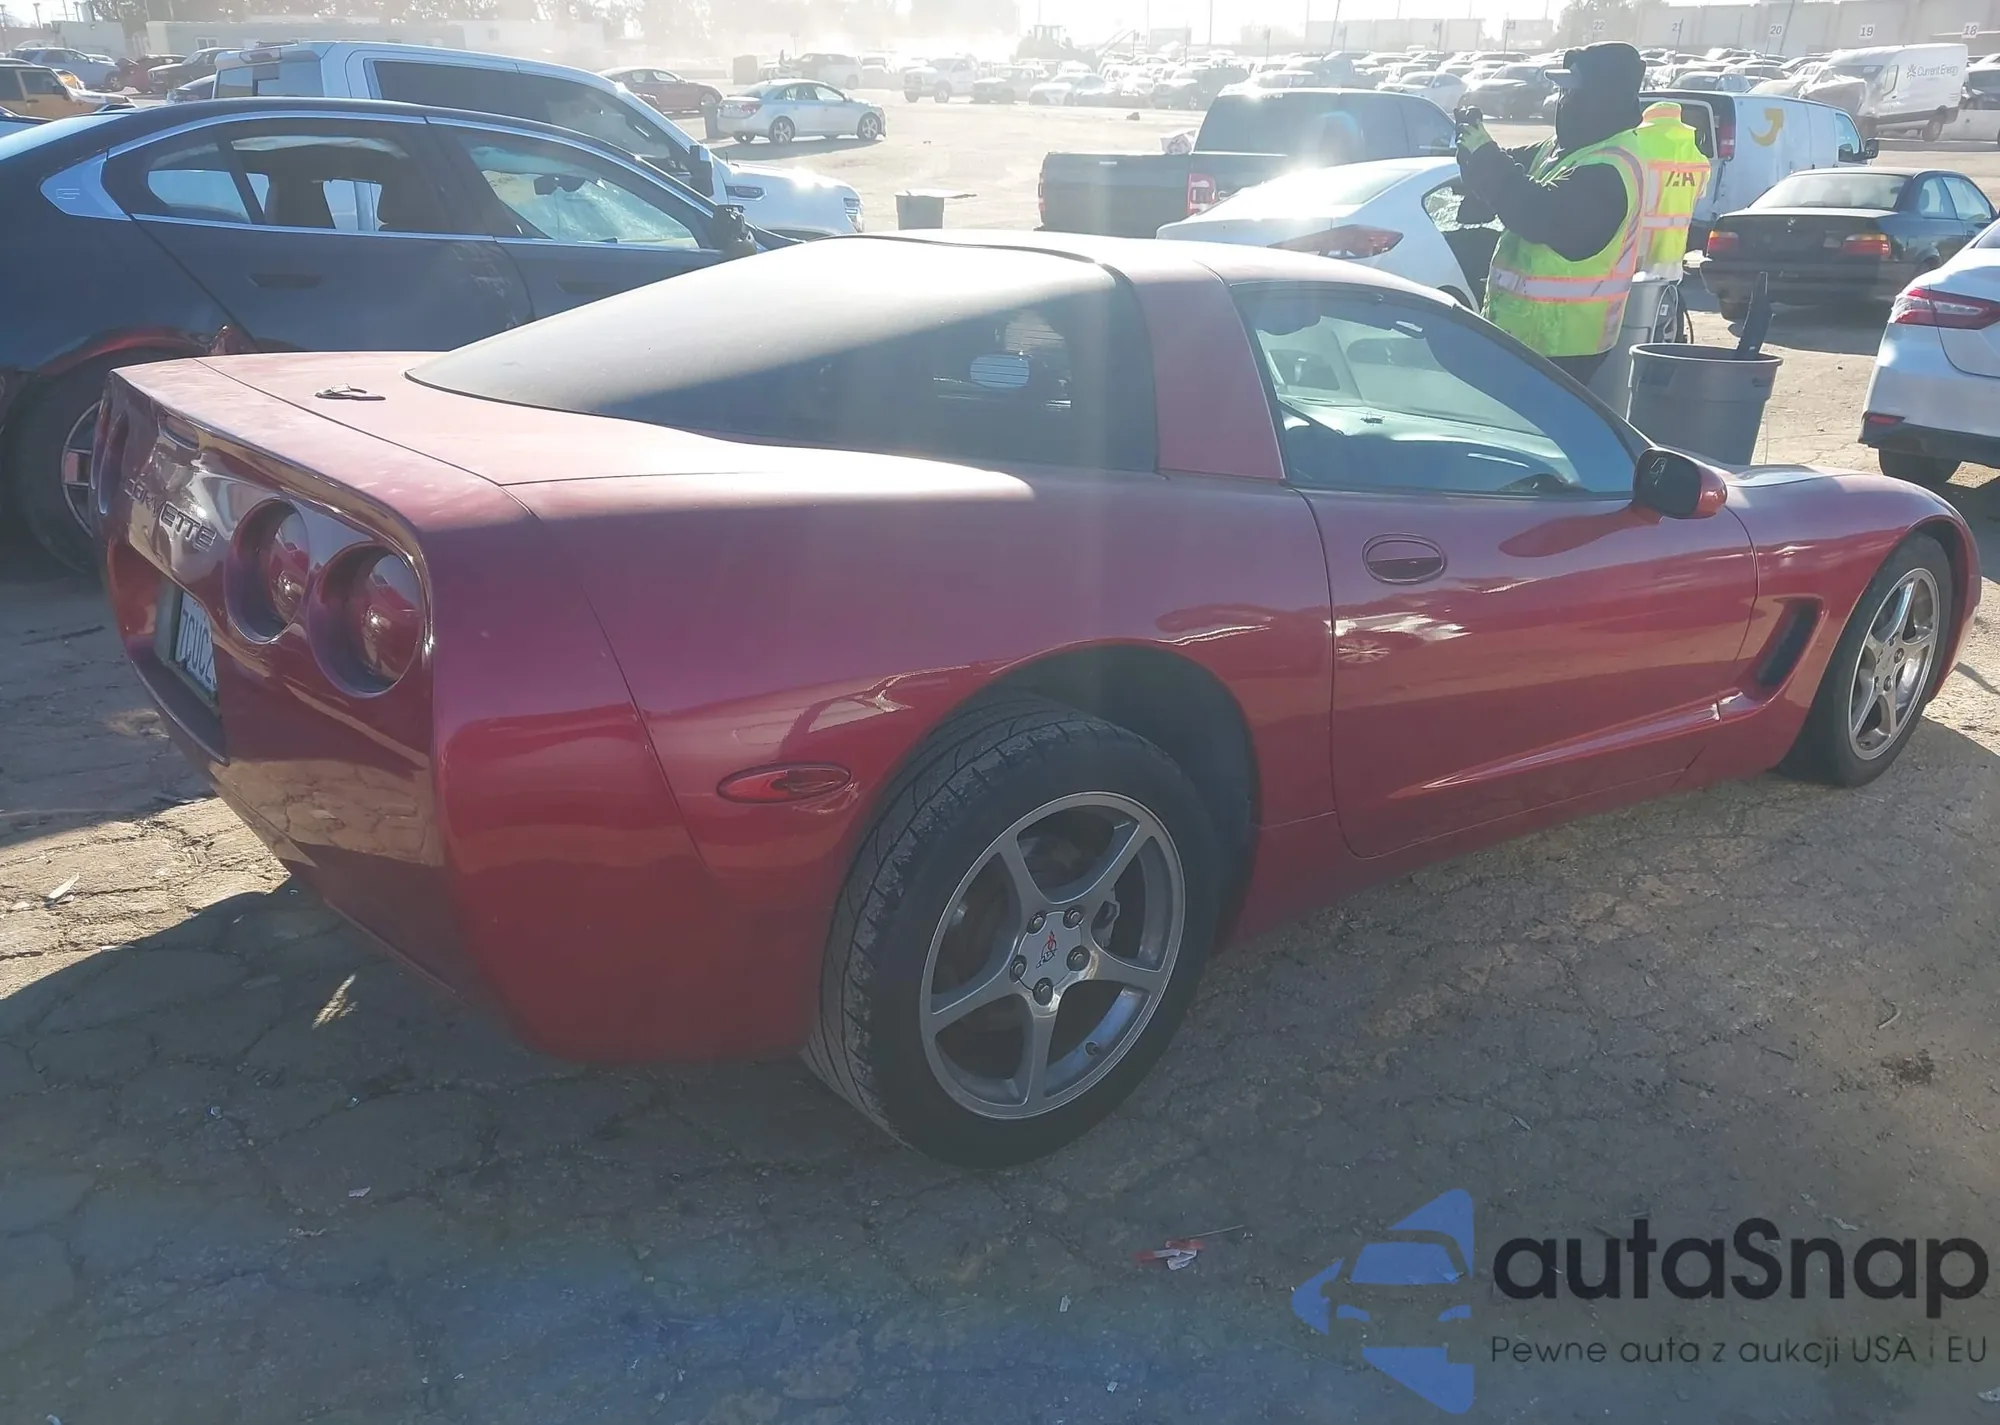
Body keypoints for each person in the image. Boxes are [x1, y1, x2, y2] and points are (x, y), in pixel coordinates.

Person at [1454, 42, 1651, 383]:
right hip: (1529, 337)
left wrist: (1485, 157)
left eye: (1574, 92)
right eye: (1563, 91)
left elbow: (1537, 214)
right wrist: (1473, 151)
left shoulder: (1610, 166)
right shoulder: (1563, 148)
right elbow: (1504, 176)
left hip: (1564, 345)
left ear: (1603, 96)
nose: (1564, 100)